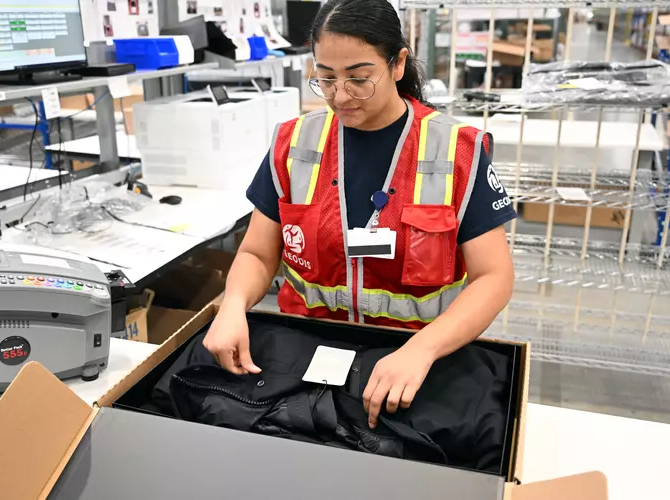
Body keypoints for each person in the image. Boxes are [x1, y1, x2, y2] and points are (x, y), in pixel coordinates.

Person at [204, 0, 516, 430]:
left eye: (359, 78)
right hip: (306, 352)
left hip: (414, 358)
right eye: (326, 78)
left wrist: (422, 349)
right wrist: (233, 305)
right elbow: (257, 254)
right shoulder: (295, 144)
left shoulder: (456, 150)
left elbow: (493, 277)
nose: (340, 95)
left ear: (398, 63)